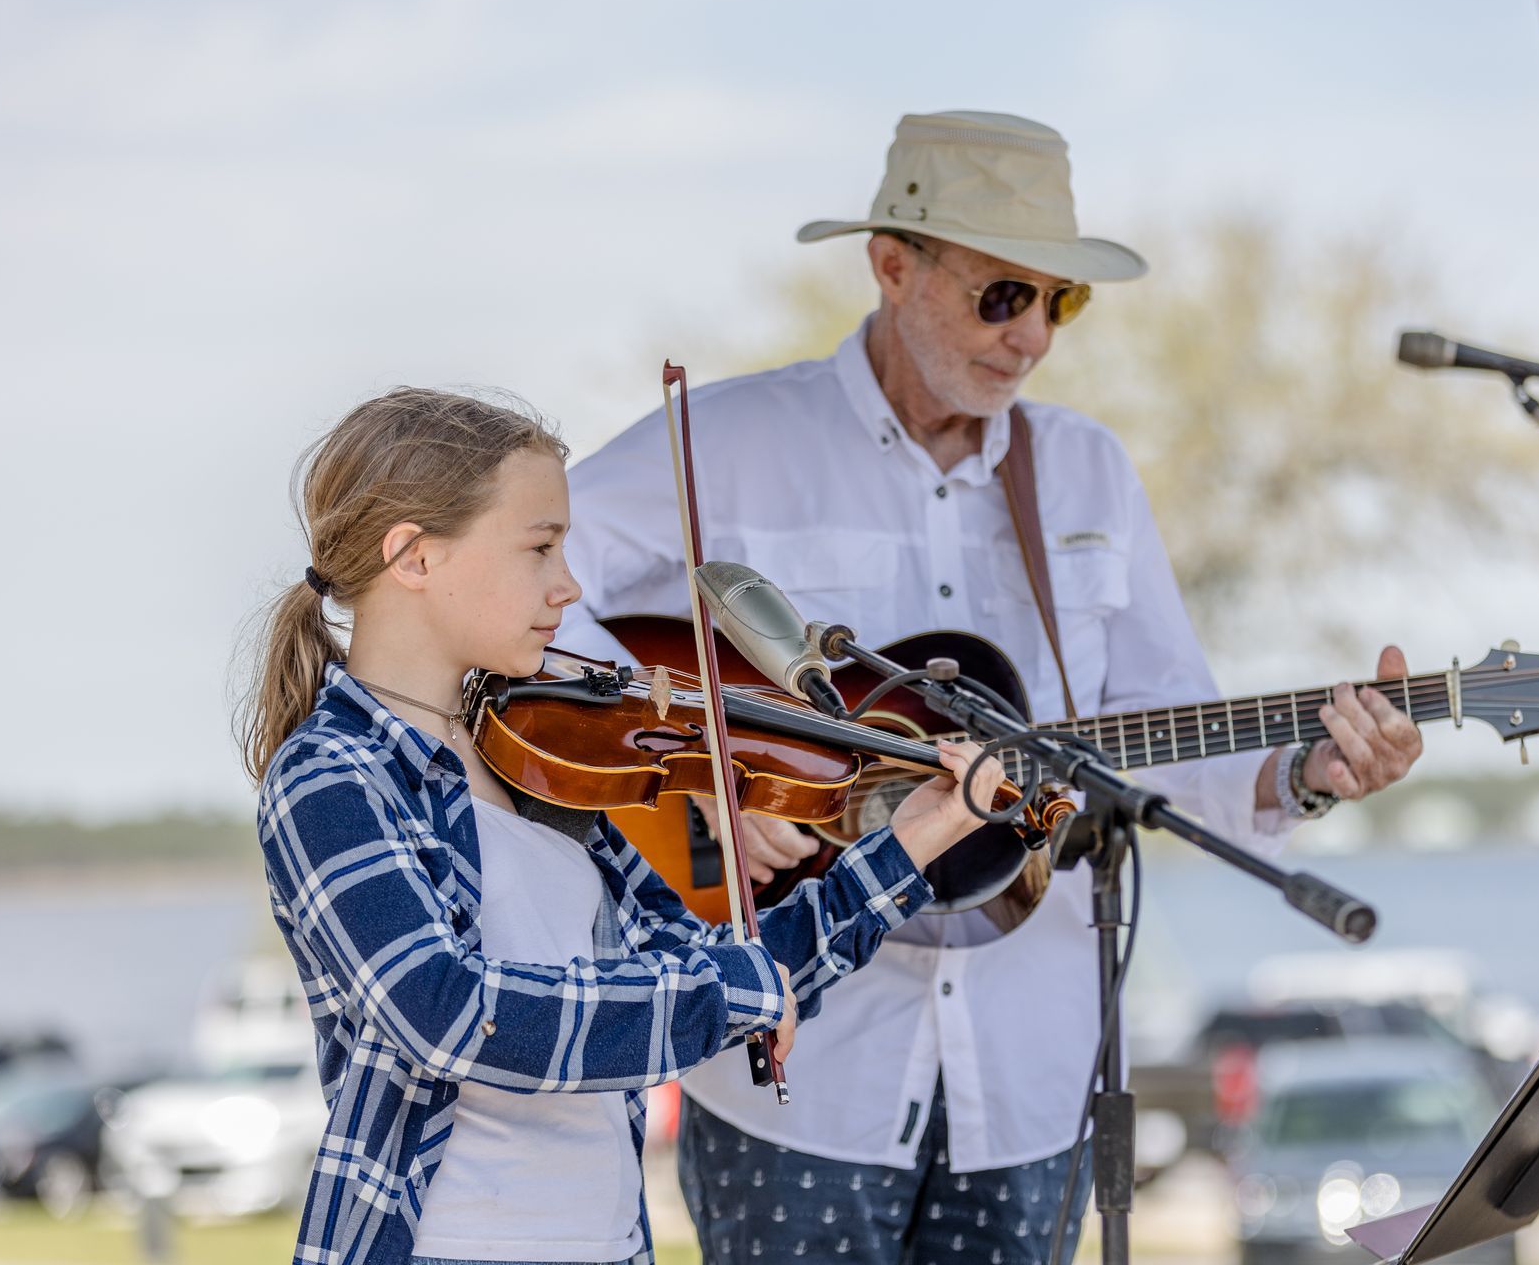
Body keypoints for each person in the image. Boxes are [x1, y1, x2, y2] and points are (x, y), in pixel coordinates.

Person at [550, 111, 1424, 1264]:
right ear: (893, 264)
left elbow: (1163, 725)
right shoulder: (729, 439)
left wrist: (1307, 771)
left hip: (1031, 1068)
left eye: (1060, 302)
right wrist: (705, 776)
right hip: (801, 1061)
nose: (1033, 340)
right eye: (1003, 296)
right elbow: (523, 580)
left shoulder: (1087, 472)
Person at [238, 387, 1002, 1265]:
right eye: (541, 548)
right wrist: (730, 995)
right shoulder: (333, 774)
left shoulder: (539, 768)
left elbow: (717, 969)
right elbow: (446, 1013)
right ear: (413, 556)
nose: (568, 586)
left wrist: (911, 844)